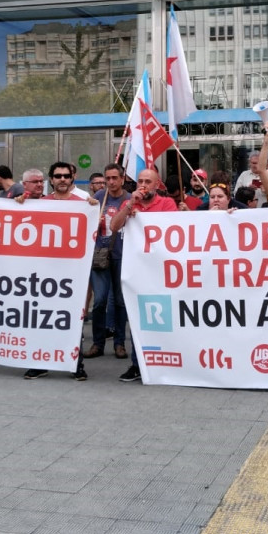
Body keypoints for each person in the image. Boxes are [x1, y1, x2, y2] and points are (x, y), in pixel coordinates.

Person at [20, 163, 96, 381]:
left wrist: (93, 211)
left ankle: (75, 364)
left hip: (72, 274)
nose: (62, 179)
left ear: (72, 178)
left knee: (73, 319)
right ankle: (38, 363)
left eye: (66, 176)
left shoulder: (84, 205)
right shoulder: (39, 204)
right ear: (51, 180)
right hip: (44, 274)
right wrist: (19, 205)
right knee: (41, 318)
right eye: (57, 176)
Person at [108, 168, 178, 384]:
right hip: (136, 270)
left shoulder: (167, 204)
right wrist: (129, 206)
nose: (143, 185)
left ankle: (165, 362)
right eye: (140, 181)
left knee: (162, 317)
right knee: (138, 318)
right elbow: (113, 226)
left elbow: (174, 229)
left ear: (157, 185)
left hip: (160, 270)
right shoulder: (130, 203)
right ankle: (137, 364)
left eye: (148, 181)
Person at [87, 164, 132, 360]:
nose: (111, 182)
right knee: (99, 301)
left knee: (121, 301)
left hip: (123, 255)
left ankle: (119, 342)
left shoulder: (130, 199)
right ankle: (97, 343)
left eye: (115, 178)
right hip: (100, 255)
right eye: (108, 178)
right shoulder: (98, 198)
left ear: (122, 179)